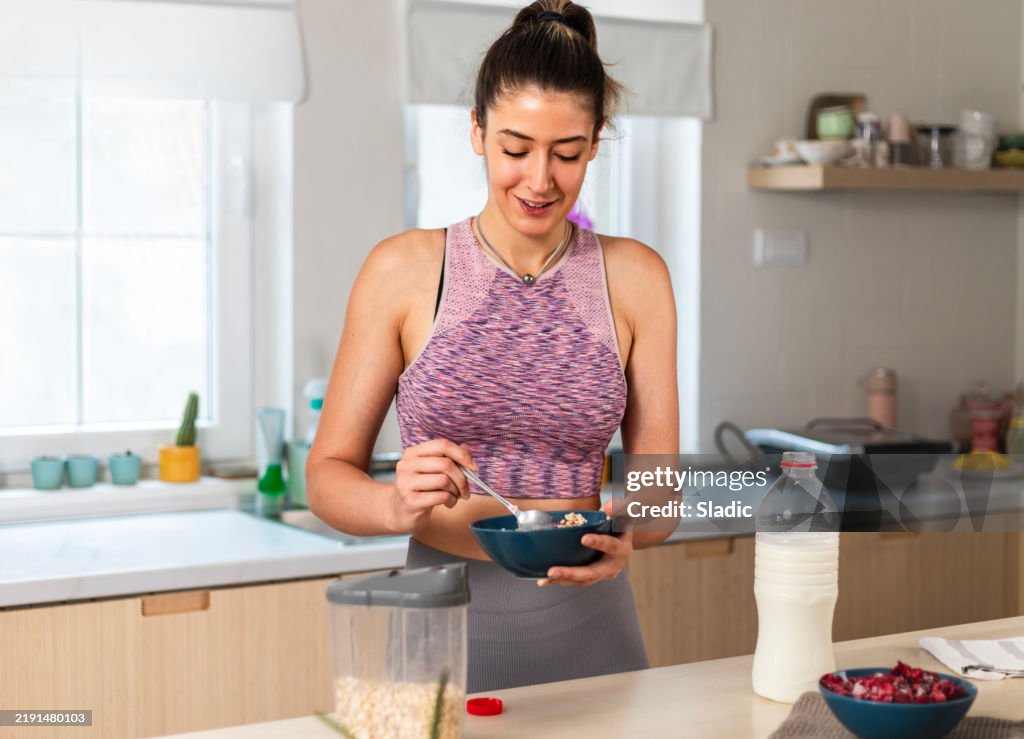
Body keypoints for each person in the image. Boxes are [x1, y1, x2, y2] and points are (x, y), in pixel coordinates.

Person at [307, 0, 678, 693]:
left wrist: (630, 530)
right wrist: (393, 505)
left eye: (567, 153)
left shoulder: (637, 279)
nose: (540, 181)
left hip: (592, 630)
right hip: (442, 624)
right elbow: (326, 473)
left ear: (595, 141)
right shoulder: (401, 270)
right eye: (516, 149)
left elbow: (661, 494)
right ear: (477, 131)